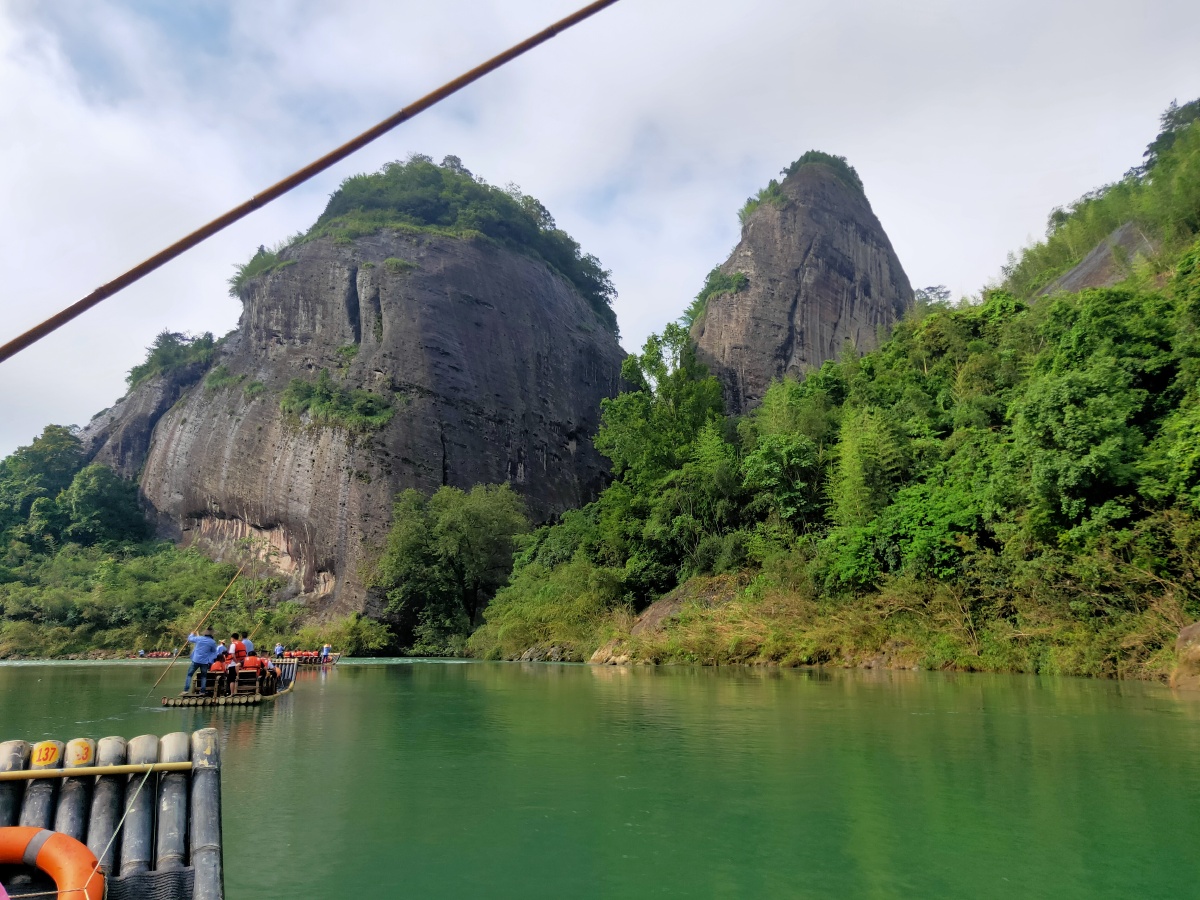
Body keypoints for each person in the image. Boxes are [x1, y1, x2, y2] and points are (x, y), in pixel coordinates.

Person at [184, 627, 218, 694]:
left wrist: (192, 634)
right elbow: (214, 652)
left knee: (189, 674)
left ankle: (186, 690)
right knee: (203, 676)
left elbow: (190, 639)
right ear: (212, 635)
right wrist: (210, 660)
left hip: (196, 660)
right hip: (205, 662)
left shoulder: (199, 638)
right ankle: (202, 691)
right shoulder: (212, 642)